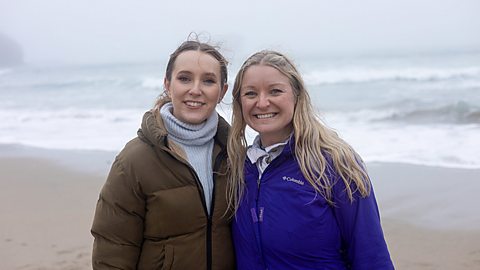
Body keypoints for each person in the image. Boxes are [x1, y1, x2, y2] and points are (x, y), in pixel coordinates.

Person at [227, 50, 394, 269]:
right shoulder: (236, 168)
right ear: (239, 102)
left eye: (275, 91)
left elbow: (371, 255)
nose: (262, 102)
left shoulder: (336, 163)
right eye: (250, 93)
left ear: (297, 95)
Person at [91, 39, 235, 269]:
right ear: (167, 84)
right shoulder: (134, 160)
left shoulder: (235, 154)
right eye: (184, 78)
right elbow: (113, 249)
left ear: (222, 91)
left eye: (208, 81)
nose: (195, 90)